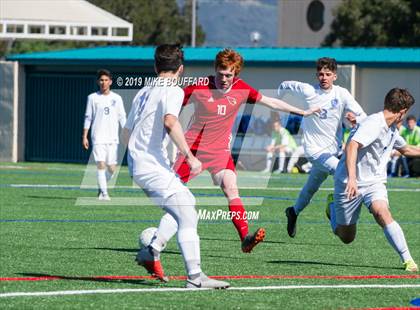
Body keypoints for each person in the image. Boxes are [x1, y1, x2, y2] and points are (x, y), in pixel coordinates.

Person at [168, 48, 319, 253]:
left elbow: (271, 101)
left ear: (236, 74)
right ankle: (159, 239)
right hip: (193, 151)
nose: (223, 79)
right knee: (173, 195)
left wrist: (302, 112)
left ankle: (245, 238)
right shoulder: (200, 86)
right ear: (215, 70)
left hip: (220, 152)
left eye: (228, 75)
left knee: (231, 188)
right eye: (220, 74)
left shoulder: (241, 89)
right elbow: (172, 105)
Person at [127, 44, 229, 289]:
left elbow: (126, 132)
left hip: (142, 163)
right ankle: (195, 277)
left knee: (187, 205)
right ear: (181, 69)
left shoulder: (143, 90)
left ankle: (151, 251)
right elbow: (170, 122)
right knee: (188, 214)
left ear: (155, 66)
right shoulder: (173, 89)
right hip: (151, 166)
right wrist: (189, 157)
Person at [327, 88, 419, 272]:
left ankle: (408, 260)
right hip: (349, 183)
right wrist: (352, 178)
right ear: (402, 111)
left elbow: (407, 149)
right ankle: (332, 209)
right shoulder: (374, 124)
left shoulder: (391, 128)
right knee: (346, 237)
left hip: (374, 183)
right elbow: (352, 146)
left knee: (381, 212)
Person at [278, 57, 367, 238]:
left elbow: (363, 116)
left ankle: (293, 212)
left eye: (327, 74)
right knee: (342, 173)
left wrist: (355, 120)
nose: (323, 77)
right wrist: (280, 94)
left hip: (333, 151)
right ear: (316, 75)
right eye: (320, 74)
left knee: (311, 187)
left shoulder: (341, 94)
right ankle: (333, 206)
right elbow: (285, 84)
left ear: (335, 76)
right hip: (314, 150)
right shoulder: (308, 90)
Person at [82, 69, 126, 201]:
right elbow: (88, 117)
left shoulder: (117, 98)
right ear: (98, 82)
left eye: (106, 80)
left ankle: (102, 186)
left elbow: (122, 117)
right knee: (100, 164)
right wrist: (84, 136)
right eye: (101, 80)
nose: (104, 82)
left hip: (113, 138)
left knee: (112, 168)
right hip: (98, 137)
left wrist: (126, 133)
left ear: (111, 82)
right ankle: (104, 194)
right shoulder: (92, 98)